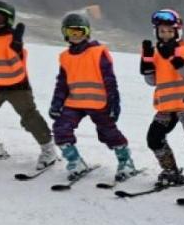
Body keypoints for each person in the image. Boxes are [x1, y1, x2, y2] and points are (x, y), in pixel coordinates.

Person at [0, 0, 57, 169]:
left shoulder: (13, 38)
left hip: (17, 86)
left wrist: (17, 46)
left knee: (29, 117)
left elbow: (19, 63)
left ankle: (48, 149)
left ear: (8, 20)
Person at [48, 12, 137, 181]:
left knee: (108, 132)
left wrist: (113, 103)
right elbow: (62, 83)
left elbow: (110, 80)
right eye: (70, 32)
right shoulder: (65, 57)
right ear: (64, 34)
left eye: (78, 32)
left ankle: (126, 161)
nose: (74, 36)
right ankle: (75, 161)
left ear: (87, 33)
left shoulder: (97, 52)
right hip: (74, 102)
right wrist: (56, 104)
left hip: (98, 103)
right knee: (61, 128)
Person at [139, 8, 184, 189]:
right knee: (154, 138)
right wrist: (147, 65)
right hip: (165, 106)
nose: (165, 35)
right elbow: (152, 81)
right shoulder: (154, 53)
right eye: (162, 31)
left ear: (177, 32)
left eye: (170, 31)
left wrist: (174, 58)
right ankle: (171, 171)